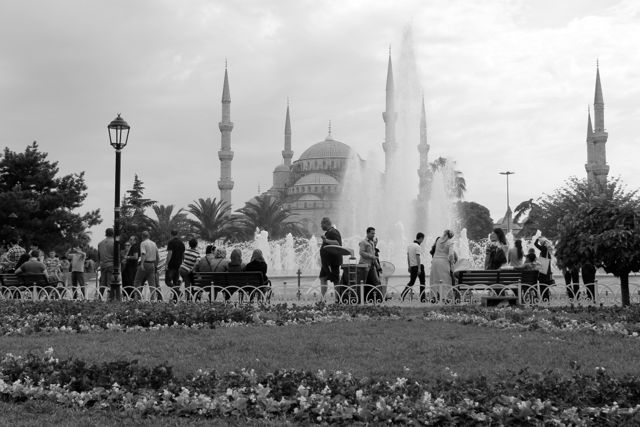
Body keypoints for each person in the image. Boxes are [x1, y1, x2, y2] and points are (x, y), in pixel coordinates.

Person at [318, 217, 342, 298]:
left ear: (326, 223)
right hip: (326, 262)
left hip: (332, 262)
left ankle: (338, 299)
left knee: (335, 280)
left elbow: (337, 243)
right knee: (323, 278)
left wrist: (326, 241)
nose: (321, 226)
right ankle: (322, 299)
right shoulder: (328, 232)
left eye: (321, 224)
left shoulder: (333, 232)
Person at [429, 229, 456, 301]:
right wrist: (452, 263)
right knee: (445, 279)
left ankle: (434, 297)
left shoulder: (438, 240)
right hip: (443, 262)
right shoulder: (450, 242)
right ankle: (445, 297)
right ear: (451, 236)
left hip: (435, 261)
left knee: (434, 279)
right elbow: (451, 255)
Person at [133, 231, 160, 300]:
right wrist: (156, 265)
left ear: (142, 236)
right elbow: (157, 256)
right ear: (149, 236)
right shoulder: (154, 244)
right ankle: (153, 299)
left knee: (138, 280)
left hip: (145, 263)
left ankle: (137, 297)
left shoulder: (143, 243)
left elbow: (143, 253)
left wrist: (141, 264)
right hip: (152, 264)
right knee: (152, 283)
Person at [358, 227, 382, 301]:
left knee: (377, 281)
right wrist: (371, 256)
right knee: (363, 282)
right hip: (364, 265)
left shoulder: (371, 243)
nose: (373, 235)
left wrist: (378, 266)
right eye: (372, 233)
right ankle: (360, 299)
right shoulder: (363, 242)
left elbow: (373, 255)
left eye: (374, 233)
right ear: (367, 233)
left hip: (371, 266)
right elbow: (361, 253)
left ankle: (379, 298)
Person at [401, 232, 426, 302]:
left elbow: (408, 257)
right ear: (420, 238)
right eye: (422, 239)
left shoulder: (409, 246)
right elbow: (418, 257)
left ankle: (403, 294)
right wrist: (419, 268)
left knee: (411, 282)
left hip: (412, 266)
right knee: (422, 282)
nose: (422, 241)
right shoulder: (418, 246)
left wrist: (409, 266)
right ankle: (422, 299)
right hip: (418, 266)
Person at [165, 230, 186, 298]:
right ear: (177, 234)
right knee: (175, 282)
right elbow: (183, 255)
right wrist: (183, 262)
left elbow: (170, 253)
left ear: (171, 234)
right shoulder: (181, 243)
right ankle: (175, 299)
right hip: (178, 265)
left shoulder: (171, 242)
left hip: (171, 265)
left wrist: (166, 264)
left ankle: (177, 292)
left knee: (167, 281)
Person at [534, 236, 554, 301]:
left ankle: (544, 298)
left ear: (542, 242)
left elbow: (535, 244)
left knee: (542, 284)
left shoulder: (544, 248)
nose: (540, 242)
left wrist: (537, 238)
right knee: (546, 285)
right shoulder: (548, 251)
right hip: (547, 271)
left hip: (543, 270)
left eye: (540, 242)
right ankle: (546, 298)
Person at [97, 228, 115, 296]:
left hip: (103, 265)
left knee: (102, 283)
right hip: (111, 265)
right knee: (110, 284)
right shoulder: (114, 243)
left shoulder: (100, 243)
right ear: (113, 233)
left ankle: (100, 297)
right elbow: (116, 255)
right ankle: (110, 298)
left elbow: (98, 256)